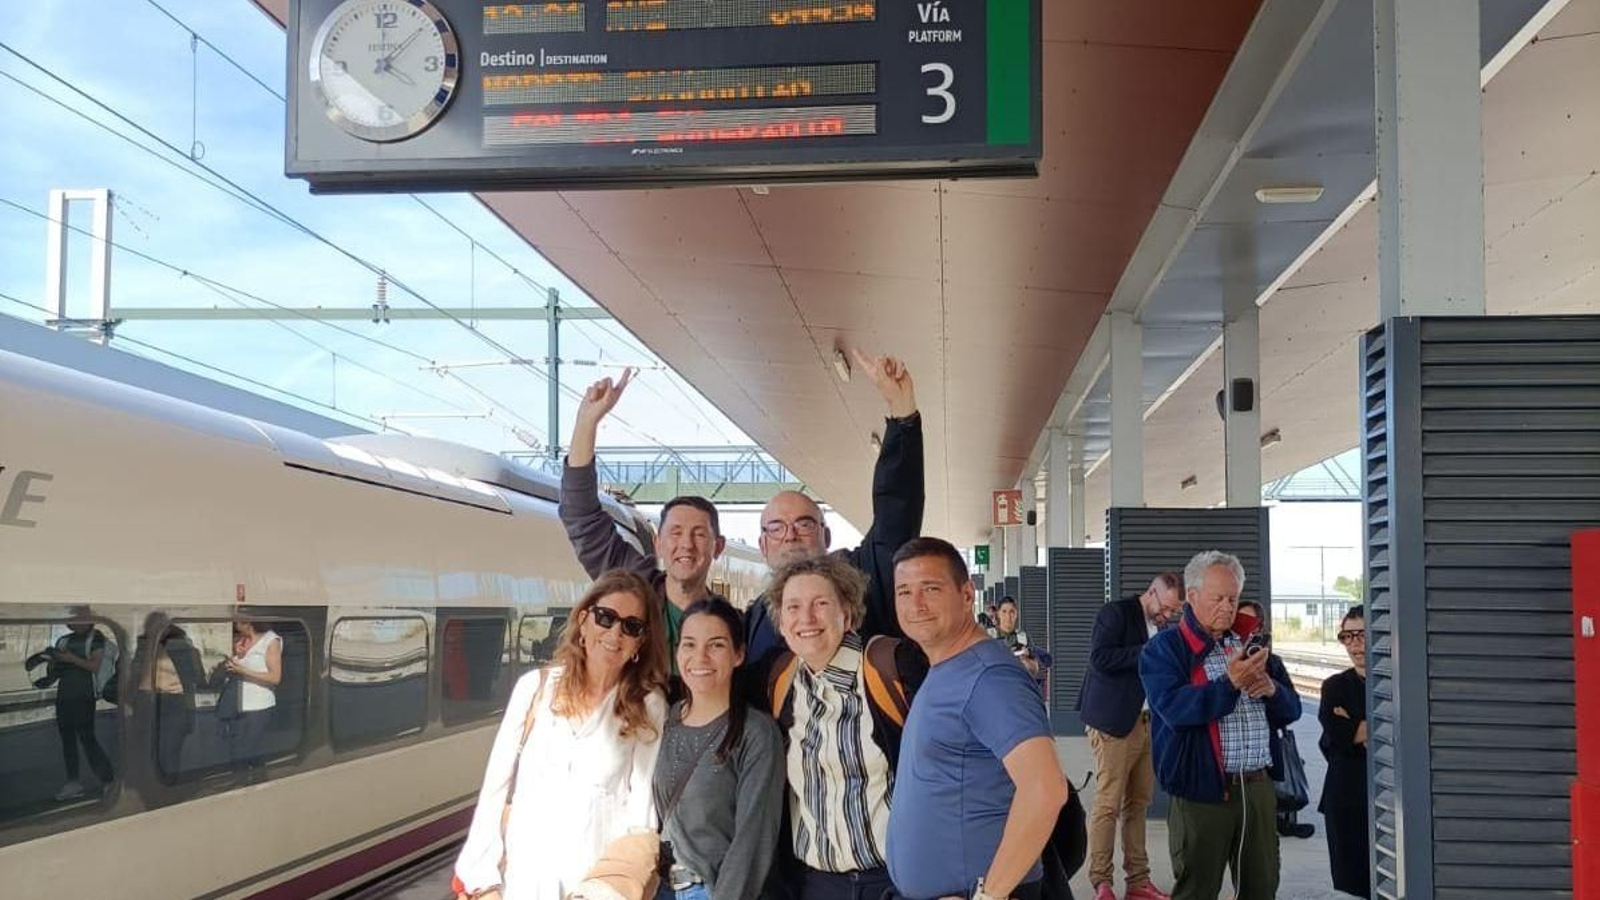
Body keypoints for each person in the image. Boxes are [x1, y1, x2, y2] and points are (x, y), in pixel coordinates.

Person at [455, 569, 671, 900]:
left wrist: (604, 891)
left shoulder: (648, 705)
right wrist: (485, 884)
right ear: (583, 621)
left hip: (593, 889)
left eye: (631, 626)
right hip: (519, 885)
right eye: (605, 617)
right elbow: (494, 792)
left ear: (640, 642)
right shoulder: (534, 689)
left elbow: (641, 818)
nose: (615, 633)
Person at [887, 537, 1069, 900]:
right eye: (904, 591)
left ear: (967, 594)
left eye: (931, 589)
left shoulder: (990, 677)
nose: (916, 604)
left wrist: (989, 895)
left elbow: (1046, 789)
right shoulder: (949, 666)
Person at [744, 350, 924, 669]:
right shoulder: (754, 619)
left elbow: (896, 512)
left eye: (804, 524)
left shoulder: (861, 580)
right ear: (762, 545)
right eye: (776, 527)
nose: (790, 536)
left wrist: (902, 414)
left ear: (825, 536)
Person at [764, 553, 928, 900]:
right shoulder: (780, 682)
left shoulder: (893, 670)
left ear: (848, 614)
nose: (806, 618)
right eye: (793, 607)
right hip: (818, 886)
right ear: (781, 623)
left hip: (895, 882)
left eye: (821, 603)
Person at [1138, 551, 1301, 900]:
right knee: (1197, 888)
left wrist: (1272, 691)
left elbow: (1292, 711)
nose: (1227, 608)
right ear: (1192, 596)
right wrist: (1230, 684)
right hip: (1202, 791)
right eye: (1218, 599)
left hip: (1257, 786)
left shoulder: (1251, 645)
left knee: (1262, 886)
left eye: (1233, 599)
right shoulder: (1164, 649)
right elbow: (1175, 710)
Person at [561, 368, 728, 669]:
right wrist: (587, 422)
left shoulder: (729, 624)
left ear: (718, 546)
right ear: (658, 543)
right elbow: (581, 515)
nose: (686, 544)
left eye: (699, 534)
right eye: (675, 533)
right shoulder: (635, 587)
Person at [653, 599, 785, 900]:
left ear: (738, 654)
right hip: (663, 889)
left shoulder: (756, 733)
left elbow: (753, 840)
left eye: (716, 645)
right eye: (689, 644)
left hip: (716, 890)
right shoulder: (665, 720)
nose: (700, 657)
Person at [1078, 572, 1183, 900]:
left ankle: (1138, 881)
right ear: (1152, 592)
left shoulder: (1160, 627)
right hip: (1112, 723)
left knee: (1138, 804)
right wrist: (1149, 650)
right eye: (1165, 608)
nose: (1167, 616)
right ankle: (1102, 882)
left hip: (1148, 722)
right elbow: (1100, 659)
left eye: (1174, 612)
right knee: (1108, 803)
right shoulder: (1116, 614)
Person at [28, 610, 116, 800]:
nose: (71, 623)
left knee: (87, 738)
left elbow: (94, 666)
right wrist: (49, 665)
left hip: (84, 695)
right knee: (67, 739)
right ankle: (73, 782)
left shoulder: (96, 638)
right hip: (65, 695)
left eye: (75, 619)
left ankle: (108, 781)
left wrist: (70, 659)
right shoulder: (64, 641)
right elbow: (58, 670)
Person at [1319, 606, 1370, 899]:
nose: (1354, 644)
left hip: (1390, 799)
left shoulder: (1398, 682)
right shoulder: (1334, 686)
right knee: (1356, 883)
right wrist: (1364, 730)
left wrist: (1359, 726)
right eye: (1346, 636)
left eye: (1361, 635)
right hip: (1346, 798)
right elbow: (1338, 734)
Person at [213, 618, 282, 779]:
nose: (235, 626)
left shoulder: (271, 640)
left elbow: (275, 677)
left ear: (247, 622)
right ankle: (253, 781)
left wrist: (243, 670)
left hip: (259, 706)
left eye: (236, 622)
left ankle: (247, 782)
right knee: (242, 751)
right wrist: (237, 656)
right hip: (238, 704)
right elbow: (238, 667)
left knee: (245, 750)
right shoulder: (242, 640)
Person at [993, 596, 1051, 684]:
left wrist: (1025, 660)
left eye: (1012, 612)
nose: (1008, 616)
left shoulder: (1023, 638)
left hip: (1017, 685)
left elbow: (1035, 669)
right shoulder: (989, 637)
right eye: (1004, 611)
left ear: (1016, 614)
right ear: (998, 614)